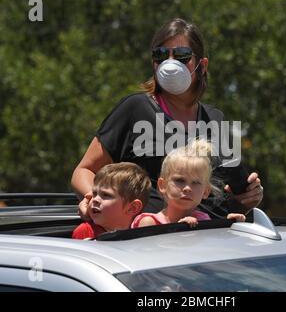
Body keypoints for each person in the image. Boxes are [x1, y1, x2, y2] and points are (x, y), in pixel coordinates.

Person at [71, 18, 263, 220]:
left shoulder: (215, 119)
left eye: (181, 55)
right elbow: (83, 170)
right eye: (161, 55)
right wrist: (93, 199)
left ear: (202, 65)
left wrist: (249, 196)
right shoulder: (134, 108)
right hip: (147, 240)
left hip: (208, 239)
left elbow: (231, 192)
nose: (169, 63)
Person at [131, 139, 245, 228]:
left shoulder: (205, 221)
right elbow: (149, 255)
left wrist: (228, 226)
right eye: (179, 180)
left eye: (195, 183)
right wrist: (181, 231)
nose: (187, 188)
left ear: (206, 191)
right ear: (162, 185)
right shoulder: (149, 222)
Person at [72, 162, 151, 239]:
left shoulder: (144, 234)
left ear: (133, 208)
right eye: (94, 193)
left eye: (106, 195)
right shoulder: (85, 232)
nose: (95, 199)